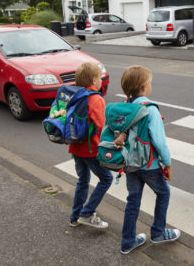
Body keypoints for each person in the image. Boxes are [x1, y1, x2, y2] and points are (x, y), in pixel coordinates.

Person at [119, 65, 180, 255]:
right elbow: (159, 142)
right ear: (144, 87)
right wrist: (167, 163)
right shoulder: (150, 109)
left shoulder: (126, 106)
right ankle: (158, 232)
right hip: (149, 165)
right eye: (149, 83)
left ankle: (128, 241)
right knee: (163, 194)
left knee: (133, 200)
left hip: (130, 163)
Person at [69, 62, 113, 229]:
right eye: (100, 78)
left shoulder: (75, 95)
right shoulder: (95, 99)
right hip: (90, 149)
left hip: (75, 147)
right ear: (94, 80)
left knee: (83, 180)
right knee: (106, 179)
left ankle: (74, 217)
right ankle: (86, 213)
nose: (102, 81)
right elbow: (103, 127)